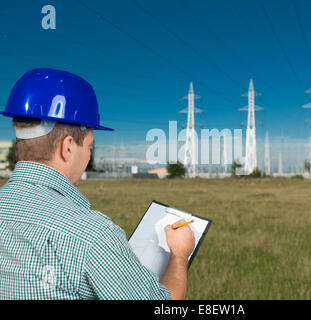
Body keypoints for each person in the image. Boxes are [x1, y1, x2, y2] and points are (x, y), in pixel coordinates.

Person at [0, 68, 195, 300]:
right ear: (68, 147)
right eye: (89, 146)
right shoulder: (91, 235)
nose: (89, 156)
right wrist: (180, 254)